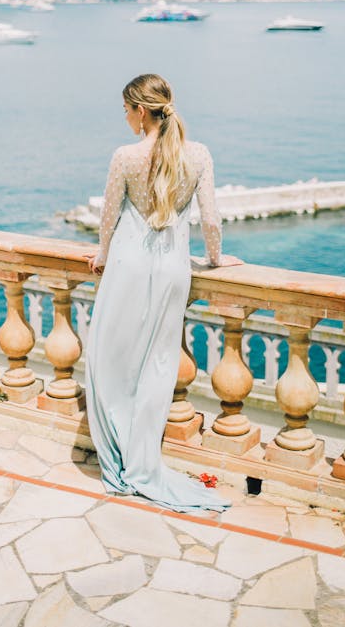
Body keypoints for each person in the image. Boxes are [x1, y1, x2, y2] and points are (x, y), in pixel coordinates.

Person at [83, 73, 242, 512]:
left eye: (125, 110)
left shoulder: (126, 156)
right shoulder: (199, 155)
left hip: (128, 266)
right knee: (157, 365)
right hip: (174, 268)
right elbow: (211, 219)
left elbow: (110, 217)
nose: (125, 118)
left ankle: (119, 455)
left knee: (110, 360)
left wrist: (100, 253)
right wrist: (215, 259)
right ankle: (143, 459)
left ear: (139, 110)